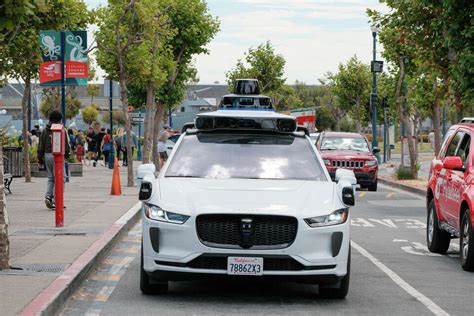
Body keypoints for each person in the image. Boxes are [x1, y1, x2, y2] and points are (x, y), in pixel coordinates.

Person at [38, 110, 70, 210]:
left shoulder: (44, 130)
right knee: (61, 178)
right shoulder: (62, 130)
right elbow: (66, 145)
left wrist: (40, 158)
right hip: (58, 156)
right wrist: (67, 154)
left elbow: (41, 145)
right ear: (60, 119)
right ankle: (58, 200)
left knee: (51, 178)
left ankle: (49, 196)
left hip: (47, 155)